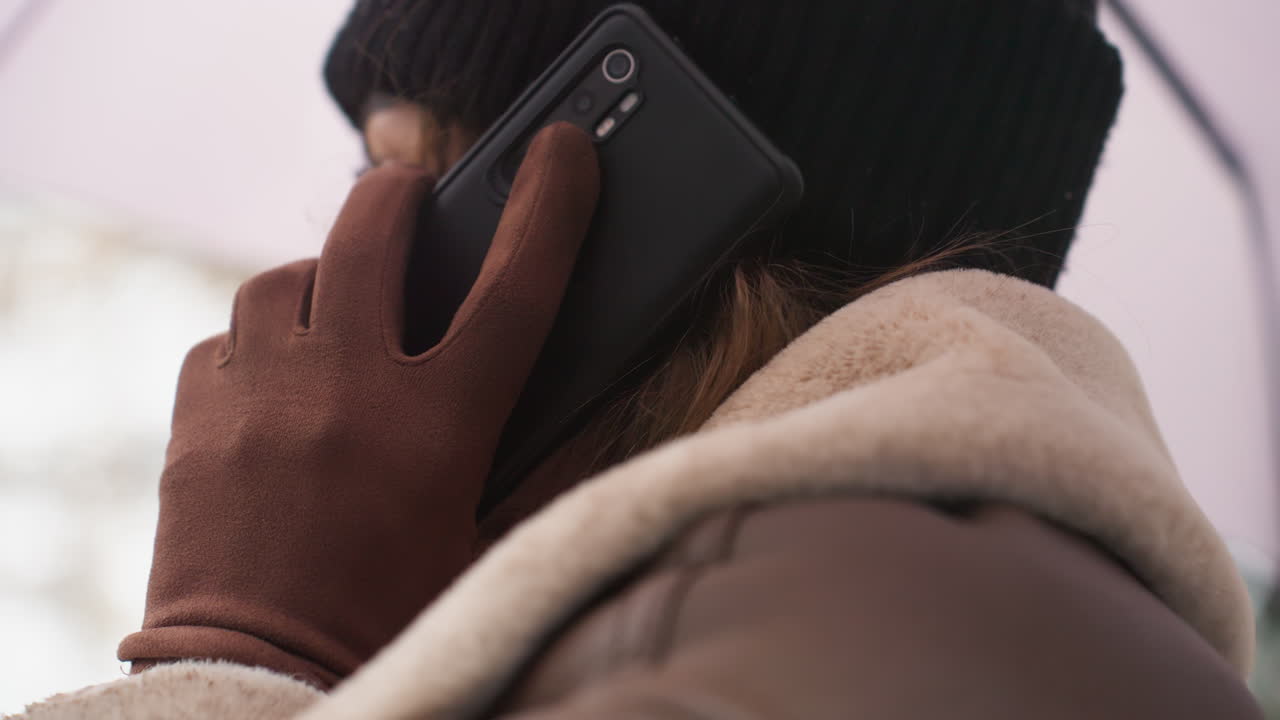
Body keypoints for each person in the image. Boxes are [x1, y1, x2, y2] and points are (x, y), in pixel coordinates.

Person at [14, 1, 1265, 717]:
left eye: (410, 175)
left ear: (631, 221)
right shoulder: (969, 598)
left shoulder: (735, 653)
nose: (349, 262)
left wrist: (235, 657)